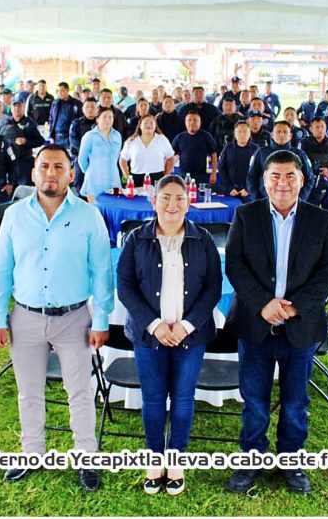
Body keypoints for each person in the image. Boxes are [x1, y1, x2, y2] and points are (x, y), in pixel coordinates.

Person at [0, 145, 113, 491]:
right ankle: (32, 452)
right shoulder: (15, 215)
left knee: (80, 391)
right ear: (33, 173)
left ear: (71, 174)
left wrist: (101, 319)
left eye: (59, 167)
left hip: (74, 318)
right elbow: (1, 269)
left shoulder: (89, 215)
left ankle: (86, 458)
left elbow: (102, 271)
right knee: (28, 392)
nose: (51, 173)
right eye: (44, 166)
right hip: (25, 318)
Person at [224, 149, 328, 495]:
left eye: (290, 176)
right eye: (275, 176)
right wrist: (263, 303)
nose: (282, 183)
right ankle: (251, 460)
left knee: (295, 402)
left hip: (299, 326)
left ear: (302, 180)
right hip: (255, 324)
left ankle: (292, 461)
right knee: (254, 400)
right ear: (264, 180)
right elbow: (235, 264)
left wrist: (295, 307)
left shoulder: (320, 219)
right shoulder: (246, 216)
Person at [116, 175, 222, 496]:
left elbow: (212, 288)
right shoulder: (136, 240)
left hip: (191, 336)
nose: (172, 204)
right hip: (150, 337)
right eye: (165, 198)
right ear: (154, 202)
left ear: (188, 203)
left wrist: (186, 326)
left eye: (179, 198)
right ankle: (154, 457)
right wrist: (155, 325)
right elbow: (125, 287)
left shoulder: (203, 240)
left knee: (183, 398)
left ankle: (175, 458)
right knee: (152, 398)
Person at [247, 121, 314, 203]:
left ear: (290, 136)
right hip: (265, 203)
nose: (282, 135)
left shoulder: (299, 154)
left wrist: (300, 200)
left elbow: (309, 179)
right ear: (272, 135)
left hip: (293, 204)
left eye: (285, 132)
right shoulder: (261, 153)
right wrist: (258, 201)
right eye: (278, 132)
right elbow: (251, 178)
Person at [301, 117, 328, 221]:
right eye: (317, 127)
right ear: (311, 129)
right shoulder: (304, 143)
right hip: (312, 183)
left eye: (322, 126)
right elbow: (300, 163)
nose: (320, 129)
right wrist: (316, 171)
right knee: (309, 216)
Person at [77, 108, 123, 204]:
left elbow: (117, 158)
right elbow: (82, 159)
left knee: (113, 208)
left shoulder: (117, 135)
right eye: (104, 117)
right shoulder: (89, 136)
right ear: (97, 119)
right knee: (96, 211)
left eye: (110, 117)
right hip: (94, 181)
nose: (108, 119)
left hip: (113, 179)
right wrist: (90, 172)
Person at [120, 115, 175, 187]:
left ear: (155, 126)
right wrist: (127, 177)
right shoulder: (131, 141)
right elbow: (122, 159)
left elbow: (170, 157)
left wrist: (166, 175)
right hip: (136, 178)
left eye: (151, 123)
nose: (148, 125)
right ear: (140, 126)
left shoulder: (162, 139)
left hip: (157, 178)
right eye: (145, 123)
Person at [172, 112, 219, 186]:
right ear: (185, 122)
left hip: (201, 176)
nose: (192, 122)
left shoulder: (206, 137)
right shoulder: (179, 137)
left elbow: (213, 155)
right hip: (183, 176)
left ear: (200, 123)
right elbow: (174, 155)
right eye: (189, 120)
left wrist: (213, 173)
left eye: (195, 120)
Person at [218, 121, 260, 199]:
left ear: (250, 133)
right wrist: (229, 188)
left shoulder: (256, 149)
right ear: (235, 134)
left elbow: (259, 171)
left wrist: (248, 189)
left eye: (245, 131)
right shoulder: (228, 148)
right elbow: (221, 169)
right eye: (239, 131)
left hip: (249, 192)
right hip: (231, 191)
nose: (242, 134)